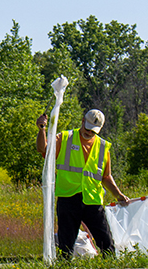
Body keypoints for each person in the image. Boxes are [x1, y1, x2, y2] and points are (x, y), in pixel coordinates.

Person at [36, 109, 130, 258]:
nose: (89, 133)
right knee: (65, 246)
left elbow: (106, 176)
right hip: (68, 198)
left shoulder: (103, 146)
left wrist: (118, 195)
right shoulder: (65, 138)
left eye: (94, 131)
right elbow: (43, 149)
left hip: (92, 200)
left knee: (106, 244)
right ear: (82, 122)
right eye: (87, 129)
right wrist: (42, 129)